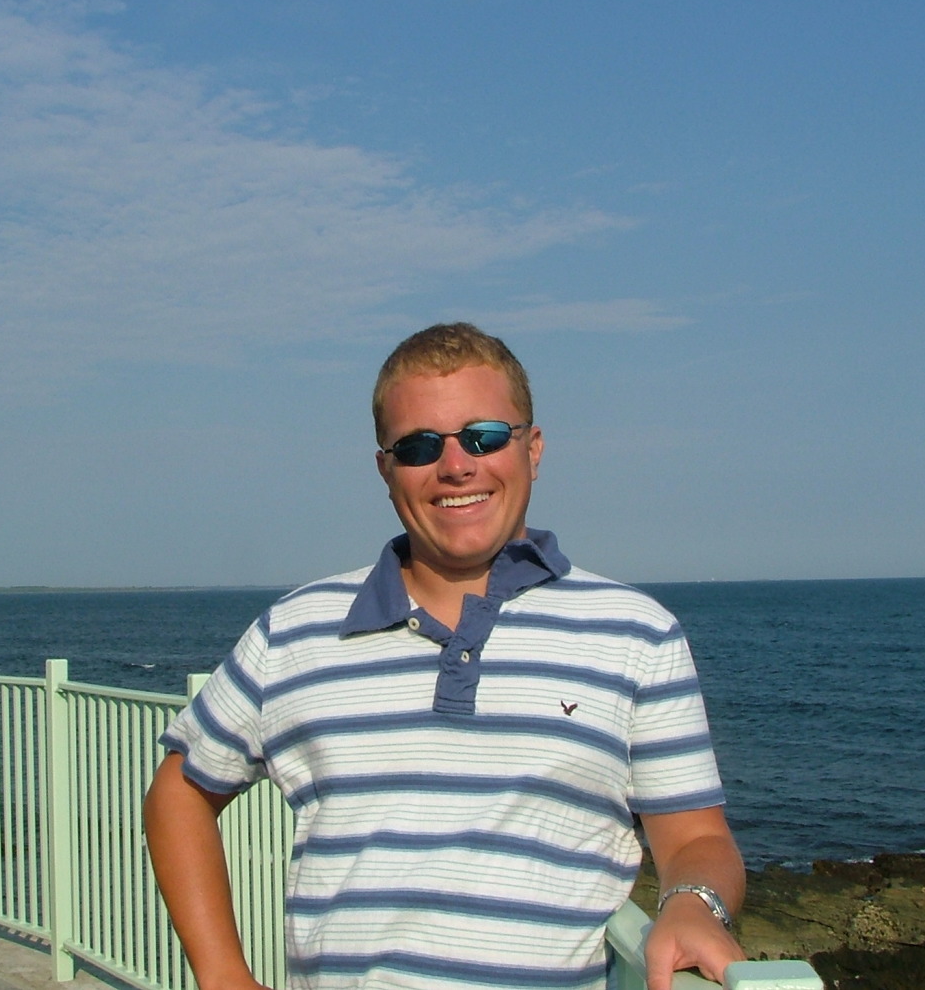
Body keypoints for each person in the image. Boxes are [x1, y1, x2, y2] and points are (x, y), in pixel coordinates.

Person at [144, 322, 746, 990]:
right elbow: (180, 791)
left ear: (533, 450)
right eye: (419, 446)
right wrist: (223, 973)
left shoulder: (637, 634)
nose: (456, 465)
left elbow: (696, 838)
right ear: (386, 470)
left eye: (484, 436)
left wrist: (693, 906)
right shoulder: (294, 632)